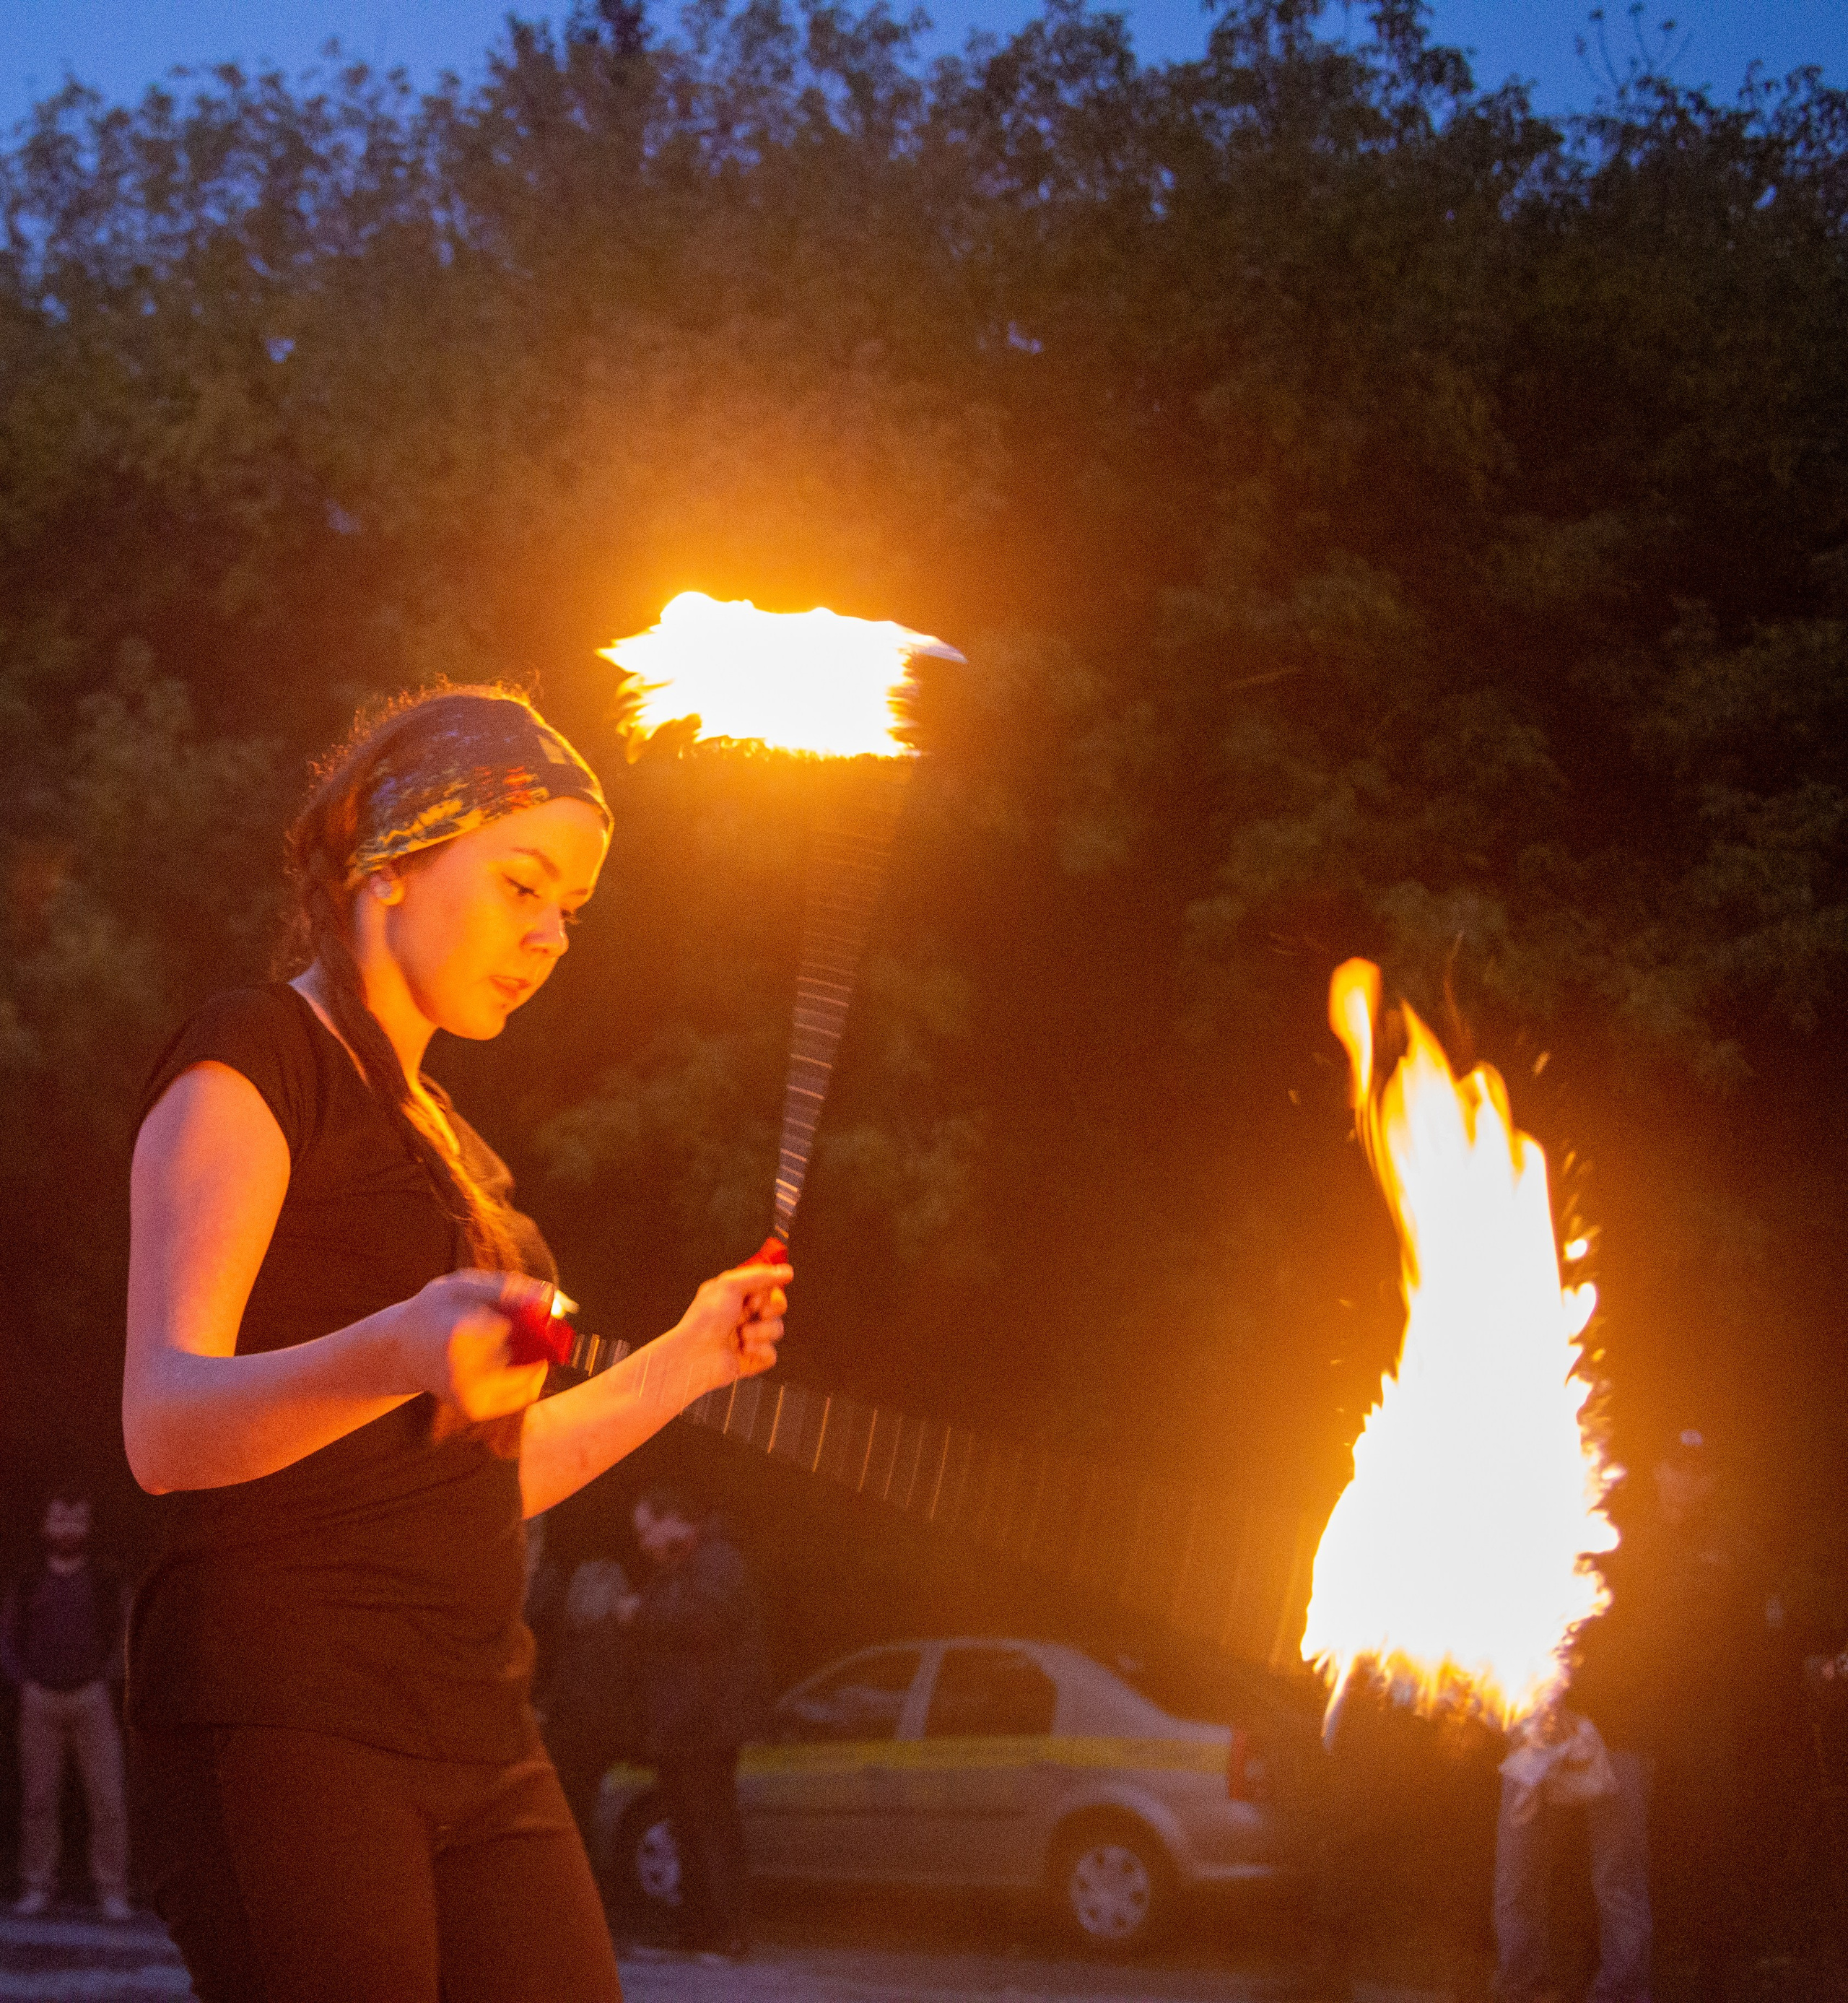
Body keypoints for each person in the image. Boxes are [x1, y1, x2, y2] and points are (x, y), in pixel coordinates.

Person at [121, 686, 790, 2003]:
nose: (550, 935)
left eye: (572, 910)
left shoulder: (463, 1157)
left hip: (482, 1726)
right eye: (522, 884)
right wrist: (400, 1345)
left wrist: (690, 1355)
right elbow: (164, 1423)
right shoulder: (255, 1058)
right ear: (388, 858)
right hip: (288, 1717)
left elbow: (482, 1477)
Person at [1494, 1425, 1764, 2003]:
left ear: (1711, 1482)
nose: (1683, 1481)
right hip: (1549, 1720)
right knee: (1518, 1869)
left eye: (1697, 1472)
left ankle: (1621, 1992)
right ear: (1658, 1472)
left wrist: (1602, 1700)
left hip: (1625, 1729)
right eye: (1674, 1467)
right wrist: (1553, 1697)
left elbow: (1679, 1648)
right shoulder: (1615, 1535)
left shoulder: (1717, 1552)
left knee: (1617, 1876)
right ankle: (1522, 1986)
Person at [619, 1487, 766, 1960]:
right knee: (687, 1828)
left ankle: (726, 1934)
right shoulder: (679, 1567)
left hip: (707, 1724)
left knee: (711, 1827)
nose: (644, 1543)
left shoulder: (718, 1560)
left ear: (672, 1519)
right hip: (681, 1725)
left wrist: (642, 1613)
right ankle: (697, 1930)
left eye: (646, 1531)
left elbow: (706, 1619)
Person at [1, 1491, 132, 1920]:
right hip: (39, 1698)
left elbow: (127, 1632)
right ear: (45, 1526)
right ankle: (37, 1886)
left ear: (88, 1526)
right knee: (38, 1800)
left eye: (76, 1520)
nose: (67, 1529)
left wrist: (108, 1678)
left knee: (108, 1799)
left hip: (92, 1697)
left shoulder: (106, 1579)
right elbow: (6, 1634)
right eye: (59, 1520)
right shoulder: (28, 1579)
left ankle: (113, 1891)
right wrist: (23, 1680)